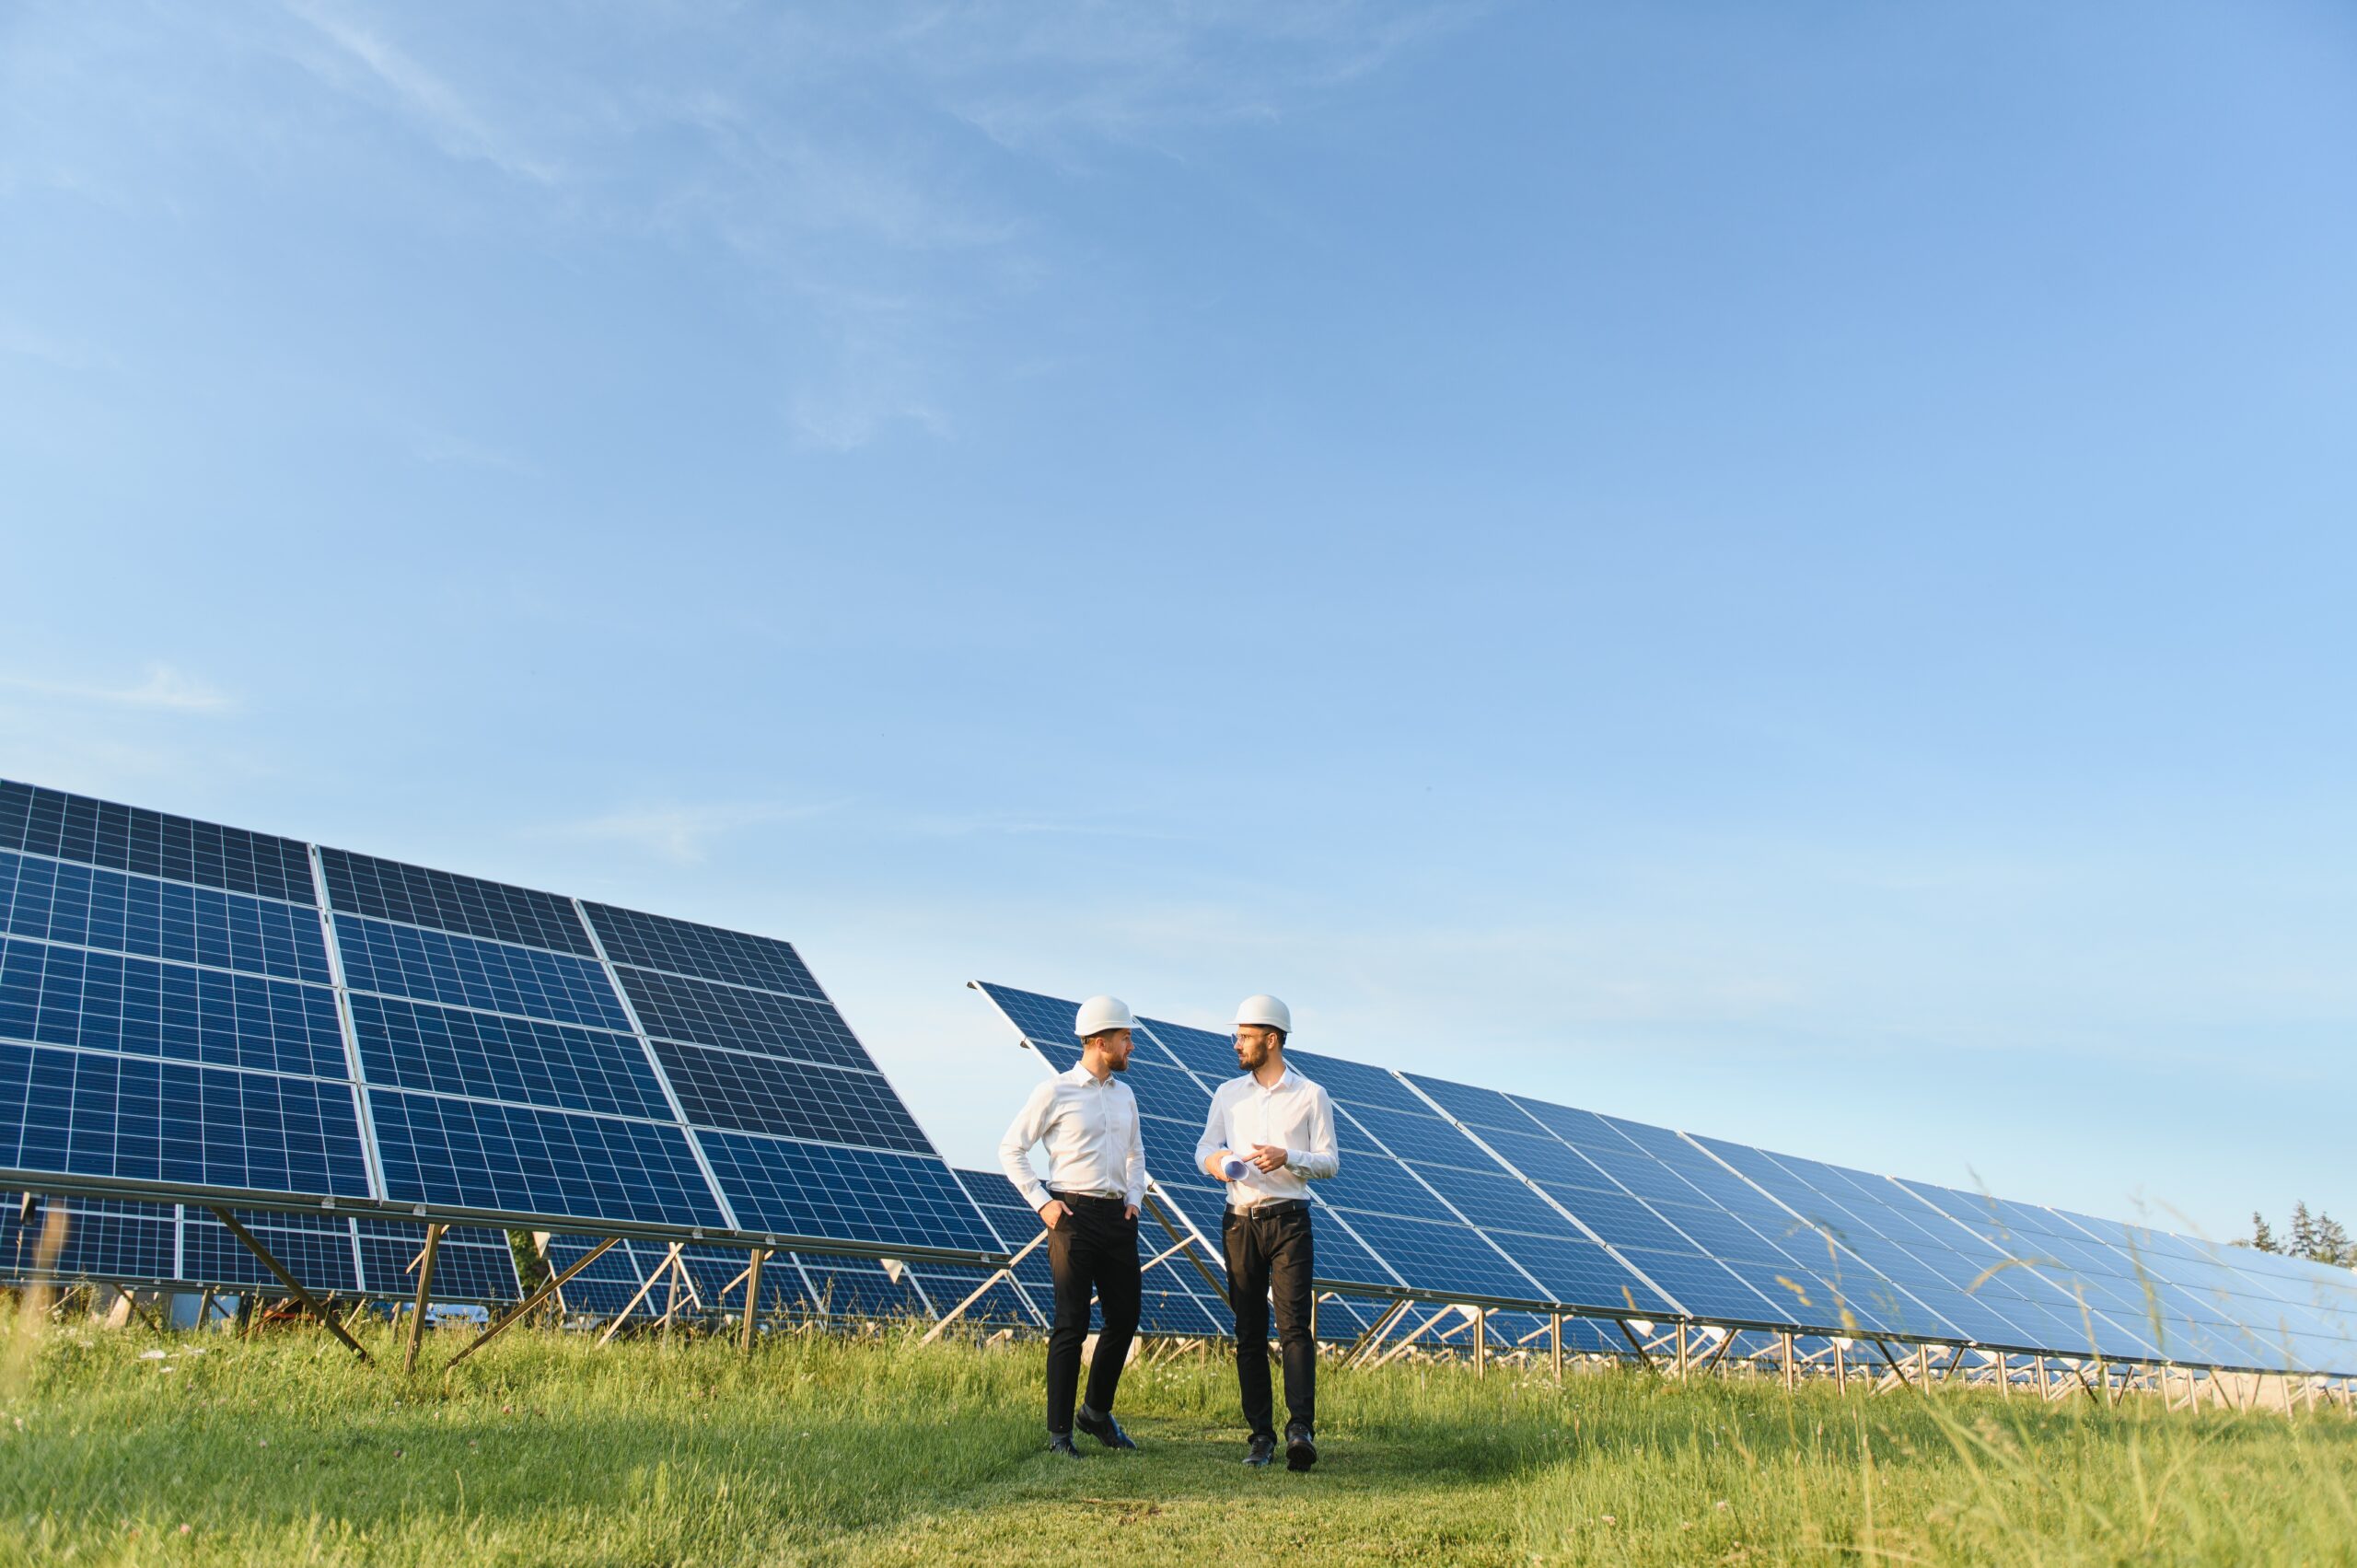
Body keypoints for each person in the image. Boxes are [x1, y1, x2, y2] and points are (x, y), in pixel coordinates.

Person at [998, 994, 1147, 1458]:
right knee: (1071, 1324)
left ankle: (1096, 1414)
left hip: (1117, 1216)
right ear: (1101, 1042)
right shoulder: (1054, 1092)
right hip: (1071, 1217)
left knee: (1124, 1318)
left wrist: (1135, 1199)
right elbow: (1011, 1149)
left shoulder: (1126, 1095)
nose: (1131, 1047)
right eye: (1126, 1039)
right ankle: (1060, 1434)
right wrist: (1043, 1203)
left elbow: (1136, 1154)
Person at [1194, 993, 1338, 1470]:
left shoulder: (1311, 1095)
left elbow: (1330, 1162)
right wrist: (1217, 1163)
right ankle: (1261, 1437)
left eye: (1245, 1036)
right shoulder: (1227, 1094)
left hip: (1290, 1219)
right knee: (1248, 1332)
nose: (1237, 1043)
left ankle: (1301, 1431)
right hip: (1239, 1221)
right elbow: (1204, 1147)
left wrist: (1288, 1157)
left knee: (1295, 1328)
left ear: (1271, 1040)